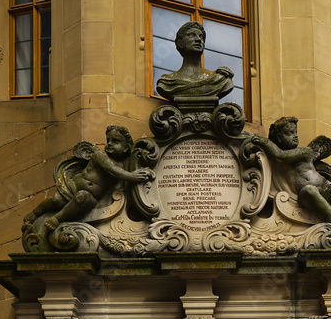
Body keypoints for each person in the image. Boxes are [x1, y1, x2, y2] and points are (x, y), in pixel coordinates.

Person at [22, 125, 154, 234]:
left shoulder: (123, 165)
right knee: (56, 200)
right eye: (108, 140)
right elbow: (113, 171)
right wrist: (132, 176)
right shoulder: (100, 156)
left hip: (92, 198)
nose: (109, 144)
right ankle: (34, 214)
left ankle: (57, 219)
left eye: (115, 141)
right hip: (73, 187)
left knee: (82, 198)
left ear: (126, 147)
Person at [248, 117, 331, 228]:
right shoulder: (276, 160)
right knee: (309, 191)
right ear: (279, 138)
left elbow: (281, 155)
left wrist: (263, 141)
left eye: (295, 132)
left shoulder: (304, 152)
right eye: (289, 133)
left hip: (325, 187)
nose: (295, 136)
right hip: (307, 193)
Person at [156, 21, 234, 103]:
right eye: (191, 35)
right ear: (180, 43)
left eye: (201, 37)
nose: (198, 39)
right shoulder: (167, 83)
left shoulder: (219, 80)